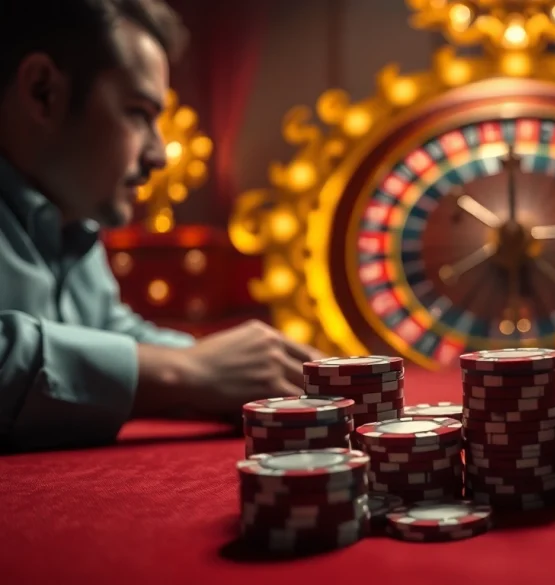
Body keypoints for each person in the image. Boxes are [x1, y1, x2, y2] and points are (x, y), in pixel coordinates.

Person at [0, 0, 320, 452]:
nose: (160, 155)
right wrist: (191, 372)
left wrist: (239, 367)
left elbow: (109, 335)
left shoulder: (70, 217)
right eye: (138, 112)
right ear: (42, 92)